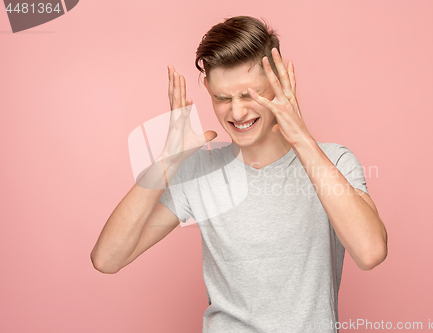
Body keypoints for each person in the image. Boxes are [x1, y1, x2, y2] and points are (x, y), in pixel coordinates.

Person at [91, 15, 387, 333]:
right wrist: (166, 162)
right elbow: (107, 259)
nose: (236, 112)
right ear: (207, 88)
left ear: (277, 82)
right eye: (222, 98)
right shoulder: (199, 172)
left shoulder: (333, 161)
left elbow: (370, 252)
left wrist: (301, 136)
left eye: (248, 95)